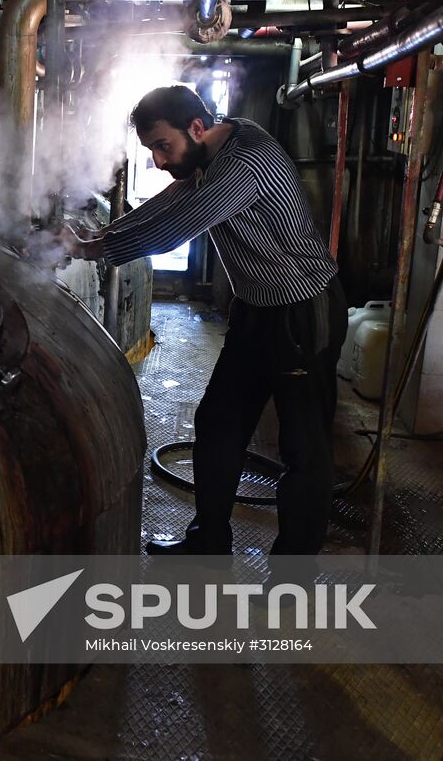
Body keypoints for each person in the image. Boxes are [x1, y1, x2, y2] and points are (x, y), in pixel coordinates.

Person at [60, 85, 347, 556]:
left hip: (301, 311)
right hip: (256, 309)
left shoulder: (244, 164)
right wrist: (101, 234)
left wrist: (96, 249)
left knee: (304, 449)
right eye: (151, 148)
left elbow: (178, 225)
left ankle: (291, 580)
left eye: (162, 146)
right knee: (217, 424)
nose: (157, 160)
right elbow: (174, 200)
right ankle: (208, 541)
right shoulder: (216, 146)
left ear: (196, 128)